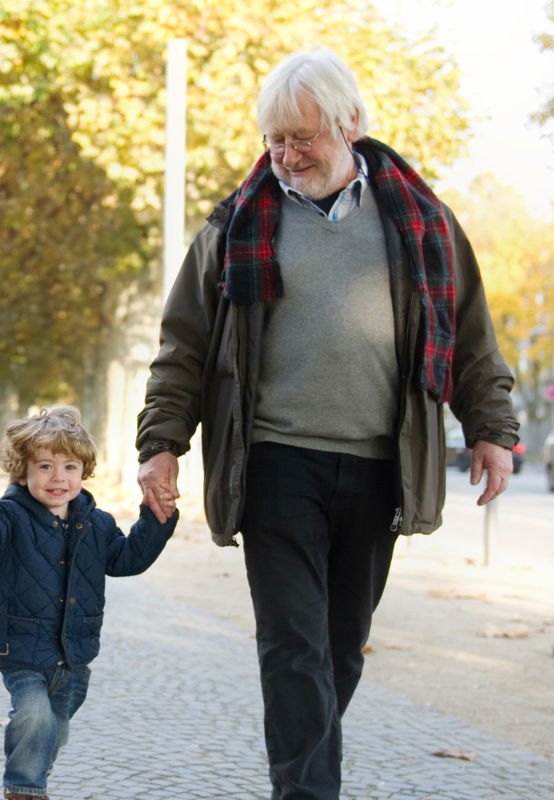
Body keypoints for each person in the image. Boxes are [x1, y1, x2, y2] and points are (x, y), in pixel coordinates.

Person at [135, 46, 519, 800]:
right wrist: (161, 442)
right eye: (275, 140)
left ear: (349, 125)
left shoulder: (420, 220)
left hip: (379, 466)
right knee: (293, 645)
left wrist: (492, 427)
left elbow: (471, 334)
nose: (286, 155)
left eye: (302, 138)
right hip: (276, 463)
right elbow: (182, 345)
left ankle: (300, 771)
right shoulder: (235, 225)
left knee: (340, 651)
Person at [0, 407, 177, 800]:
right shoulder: (9, 519)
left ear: (84, 472)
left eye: (69, 467)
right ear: (22, 471)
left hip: (74, 652)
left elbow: (128, 559)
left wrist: (156, 518)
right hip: (20, 646)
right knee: (34, 717)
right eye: (45, 466)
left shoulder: (97, 524)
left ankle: (36, 771)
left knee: (56, 729)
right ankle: (24, 789)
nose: (58, 477)